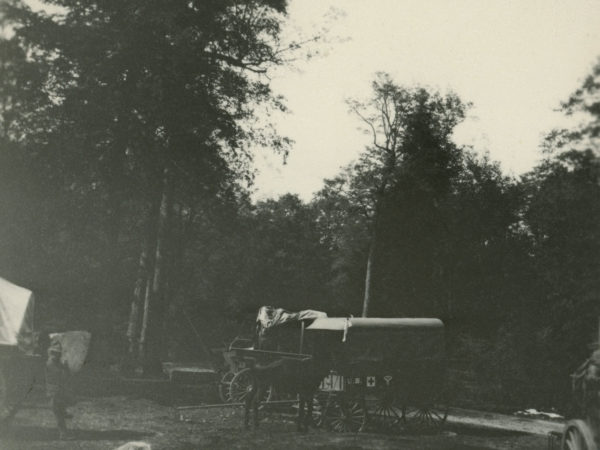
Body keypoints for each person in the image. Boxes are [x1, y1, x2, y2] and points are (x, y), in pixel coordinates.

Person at [45, 340, 72, 440]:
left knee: (59, 413)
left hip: (57, 392)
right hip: (54, 393)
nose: (58, 355)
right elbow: (62, 376)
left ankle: (63, 433)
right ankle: (63, 434)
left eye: (58, 353)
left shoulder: (56, 363)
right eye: (56, 353)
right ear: (52, 353)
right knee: (58, 415)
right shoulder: (51, 364)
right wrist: (65, 367)